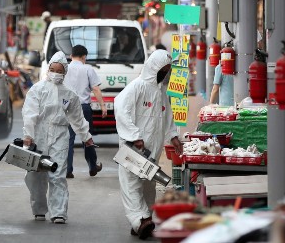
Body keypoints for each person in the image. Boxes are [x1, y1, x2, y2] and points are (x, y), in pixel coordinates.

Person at [114, 49, 183, 240]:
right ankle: (140, 220)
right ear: (154, 67)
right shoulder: (137, 87)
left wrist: (173, 136)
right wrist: (134, 136)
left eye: (168, 70)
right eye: (164, 69)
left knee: (148, 185)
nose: (166, 73)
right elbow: (121, 108)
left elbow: (167, 117)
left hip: (152, 150)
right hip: (133, 149)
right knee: (131, 185)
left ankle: (142, 221)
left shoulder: (161, 92)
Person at [22, 51, 94, 224]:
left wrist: (86, 137)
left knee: (58, 174)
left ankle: (59, 212)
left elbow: (77, 118)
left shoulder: (69, 94)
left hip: (60, 135)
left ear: (64, 72)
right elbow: (30, 113)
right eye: (52, 69)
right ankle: (39, 209)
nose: (55, 72)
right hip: (39, 134)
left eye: (59, 70)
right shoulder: (38, 89)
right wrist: (28, 135)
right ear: (48, 69)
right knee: (36, 175)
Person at [63, 45, 105, 178]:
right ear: (84, 57)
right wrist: (103, 106)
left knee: (68, 139)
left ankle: (68, 170)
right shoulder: (87, 69)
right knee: (87, 138)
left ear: (71, 56)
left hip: (67, 107)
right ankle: (92, 166)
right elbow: (96, 89)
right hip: (83, 108)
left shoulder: (64, 69)